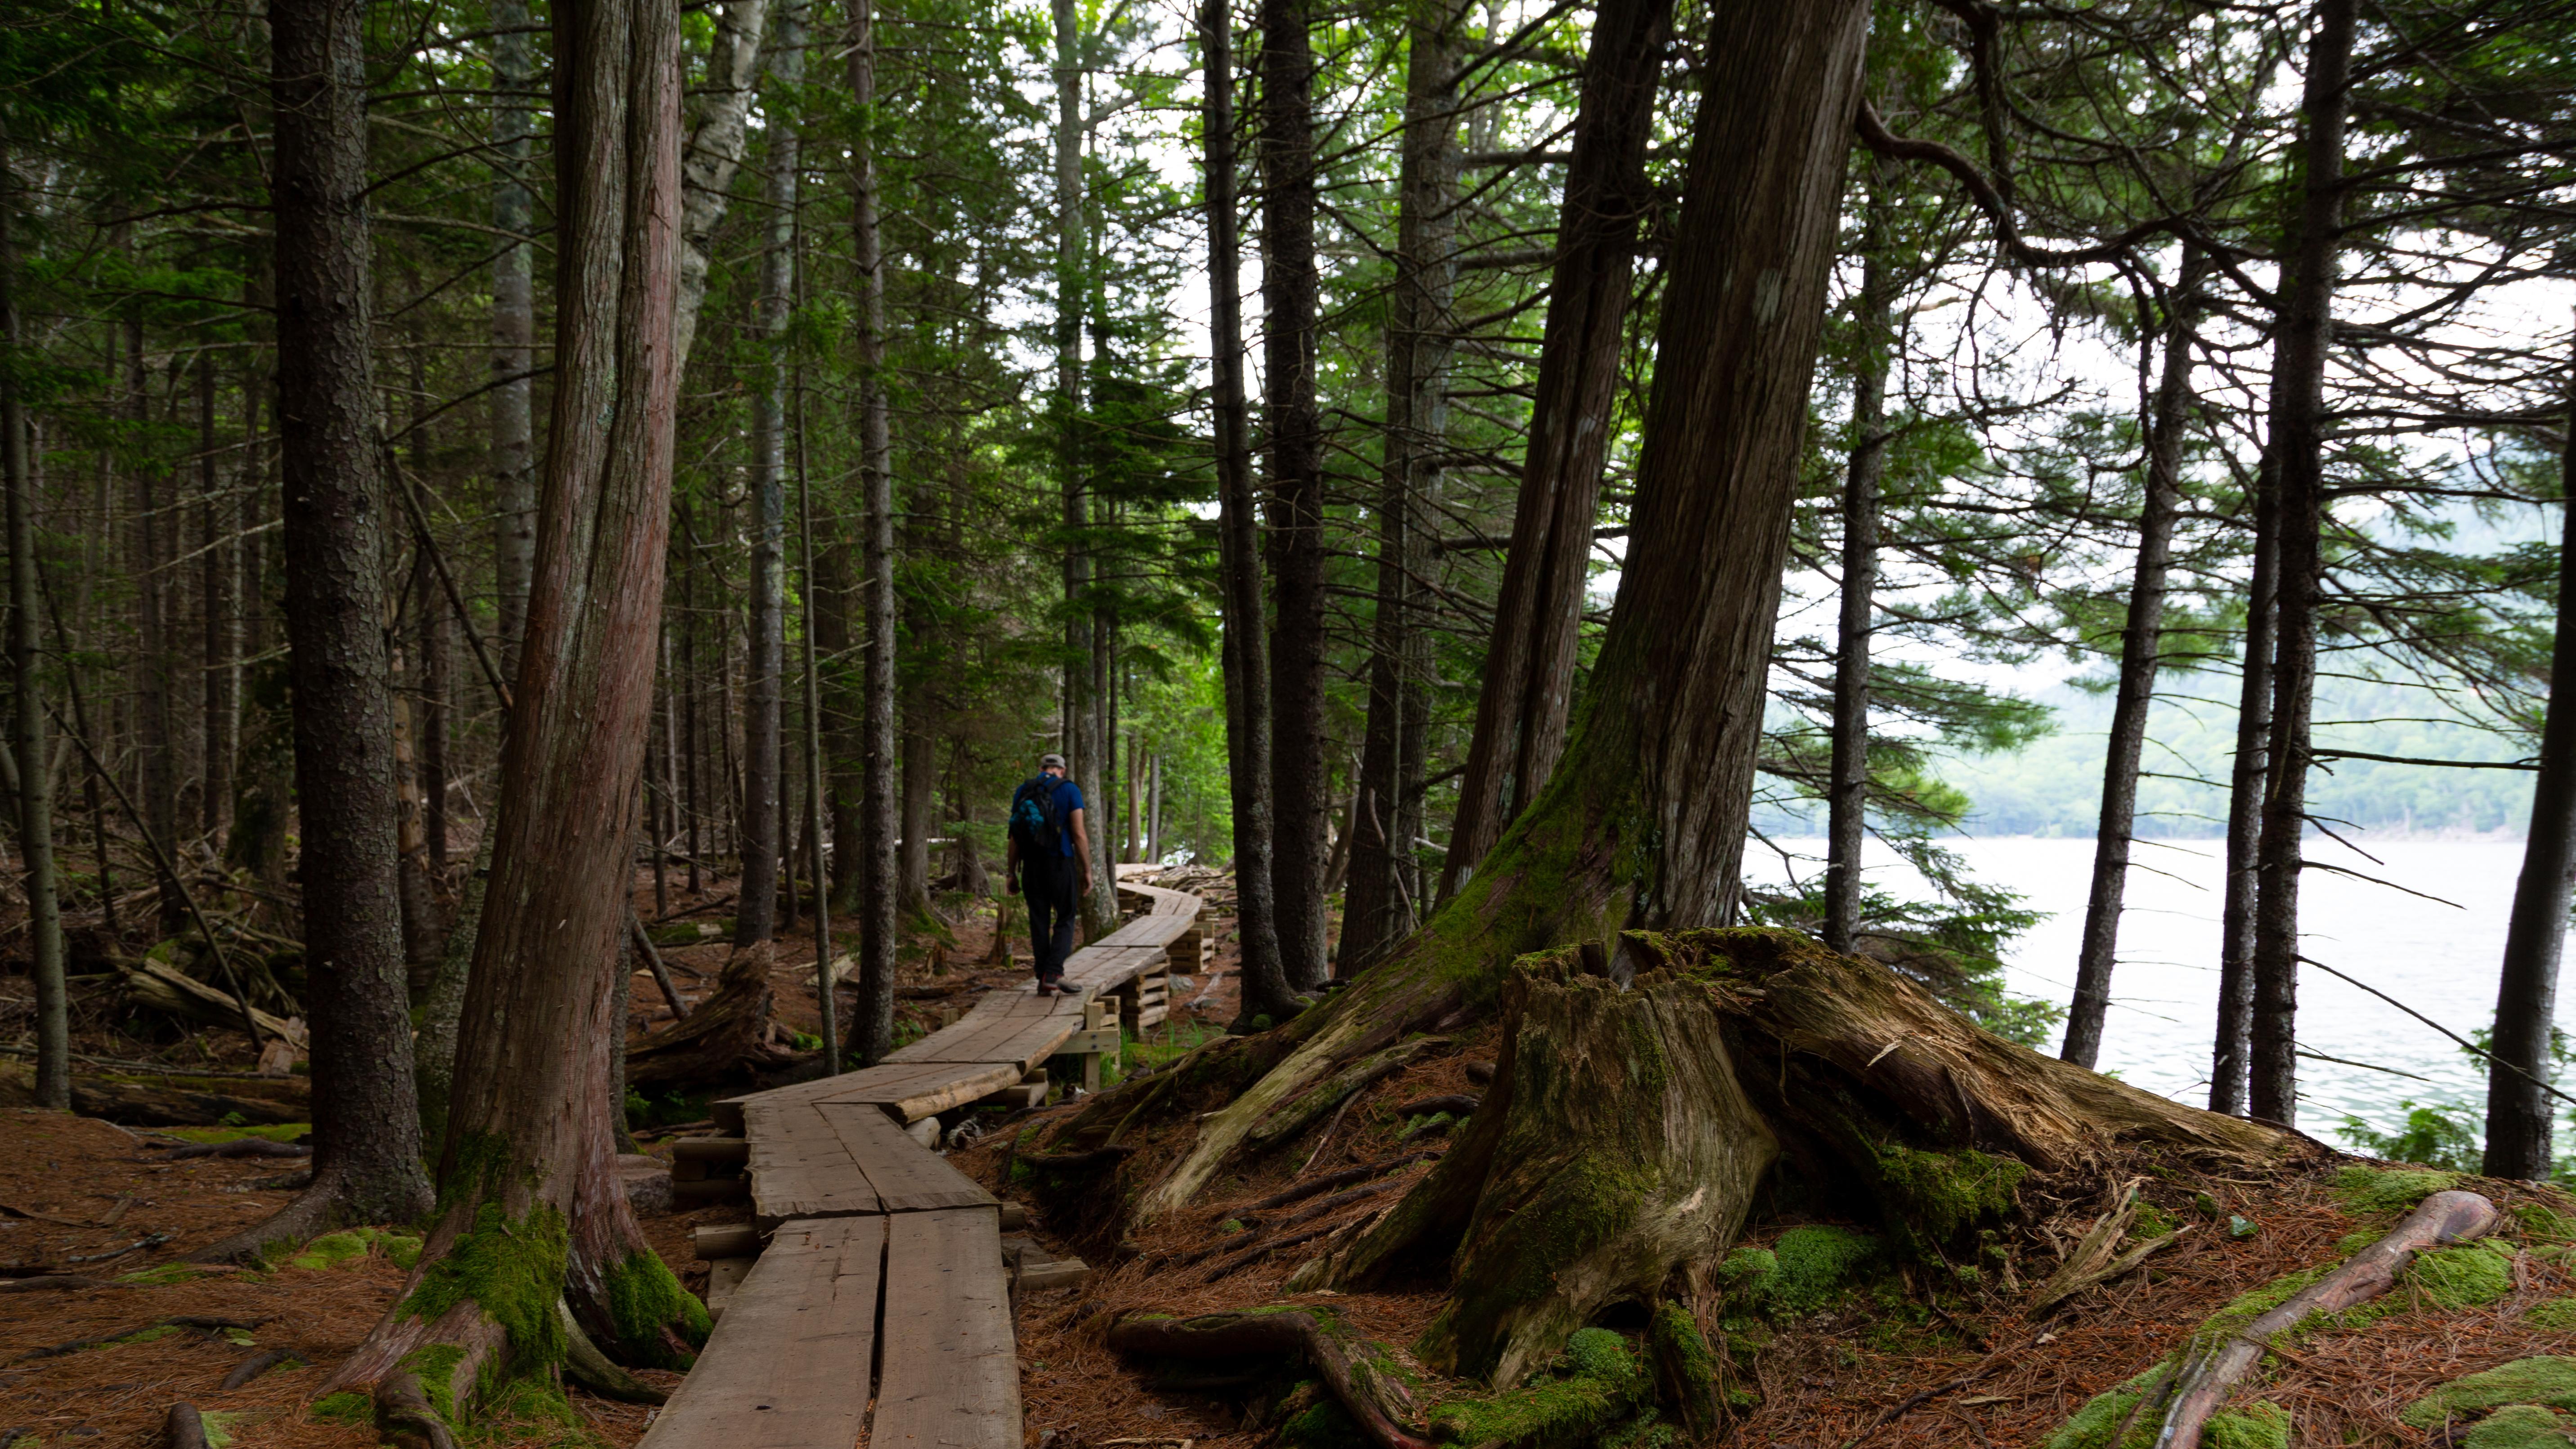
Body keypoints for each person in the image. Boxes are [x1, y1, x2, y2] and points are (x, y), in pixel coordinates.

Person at [1005, 752, 1093, 994]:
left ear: (1041, 768)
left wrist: (1011, 872)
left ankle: (1042, 979)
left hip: (1031, 866)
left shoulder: (1024, 790)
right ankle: (1054, 972)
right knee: (1066, 917)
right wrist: (1087, 870)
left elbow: (1014, 836)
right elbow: (1078, 834)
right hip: (1060, 862)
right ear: (1062, 770)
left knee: (1039, 920)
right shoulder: (1069, 790)